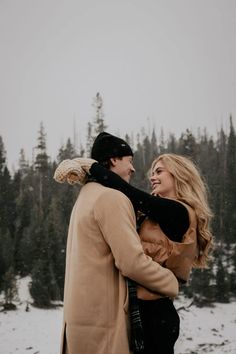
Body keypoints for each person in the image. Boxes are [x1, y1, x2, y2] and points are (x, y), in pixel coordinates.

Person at [62, 150, 213, 354]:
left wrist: (93, 167)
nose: (153, 177)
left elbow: (129, 193)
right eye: (153, 172)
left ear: (179, 175)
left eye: (159, 171)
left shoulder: (179, 212)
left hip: (156, 313)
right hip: (141, 309)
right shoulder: (155, 213)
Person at [54, 132, 181, 354]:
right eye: (129, 161)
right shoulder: (111, 198)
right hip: (104, 323)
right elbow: (132, 262)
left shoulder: (85, 196)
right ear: (114, 160)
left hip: (80, 322)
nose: (133, 168)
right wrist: (170, 281)